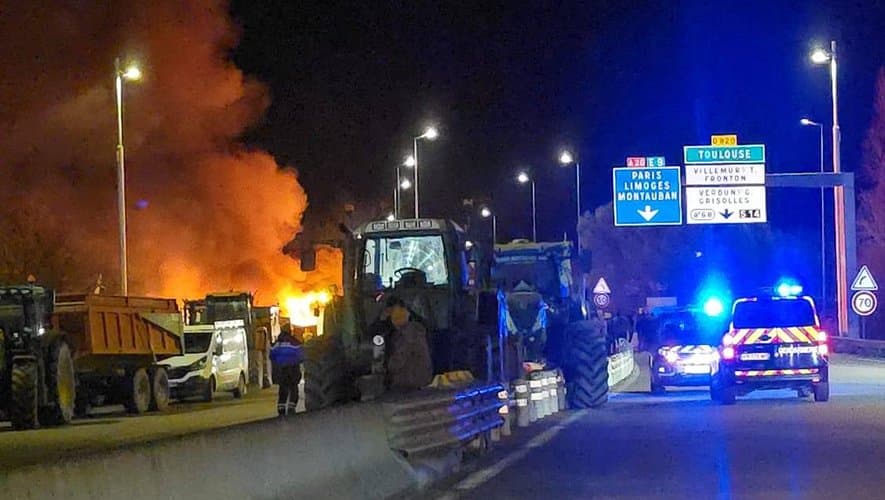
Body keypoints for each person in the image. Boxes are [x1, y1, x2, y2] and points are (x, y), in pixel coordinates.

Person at [385, 299, 433, 390]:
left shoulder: (407, 336)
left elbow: (397, 363)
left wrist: (386, 365)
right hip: (420, 384)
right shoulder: (417, 332)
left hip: (409, 387)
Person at [269, 324, 304, 416]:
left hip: (281, 369)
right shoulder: (294, 342)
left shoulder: (277, 343)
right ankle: (291, 408)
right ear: (290, 331)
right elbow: (301, 354)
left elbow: (271, 355)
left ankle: (281, 409)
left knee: (283, 389)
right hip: (293, 368)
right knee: (293, 388)